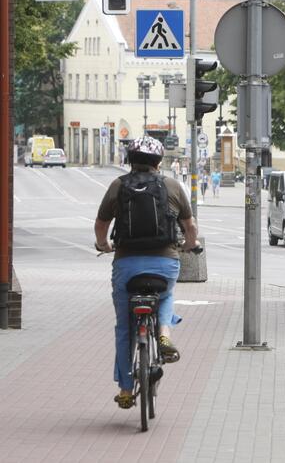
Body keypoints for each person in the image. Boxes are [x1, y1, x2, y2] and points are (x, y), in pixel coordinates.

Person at [94, 135, 200, 410]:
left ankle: (126, 390)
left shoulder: (118, 186)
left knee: (124, 327)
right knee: (165, 297)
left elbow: (101, 224)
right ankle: (164, 334)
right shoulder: (172, 186)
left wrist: (103, 245)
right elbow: (190, 227)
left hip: (127, 265)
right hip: (165, 262)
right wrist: (190, 246)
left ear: (130, 160)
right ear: (159, 161)